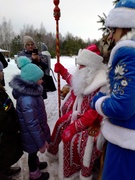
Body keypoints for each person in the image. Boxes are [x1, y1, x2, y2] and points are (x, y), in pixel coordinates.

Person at [46, 44, 108, 179]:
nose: (78, 69)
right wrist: (63, 72)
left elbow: (94, 112)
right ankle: (54, 153)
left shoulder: (101, 83)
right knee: (61, 123)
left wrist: (75, 127)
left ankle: (80, 171)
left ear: (91, 67)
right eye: (78, 65)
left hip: (95, 122)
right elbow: (75, 82)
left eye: (82, 66)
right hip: (79, 114)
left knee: (78, 141)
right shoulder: (86, 75)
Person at [90, 0, 135, 179]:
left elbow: (122, 108)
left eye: (113, 30)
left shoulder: (127, 53)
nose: (111, 37)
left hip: (126, 143)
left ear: (125, 27)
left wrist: (98, 101)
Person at [9, 56, 51, 180]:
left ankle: (36, 164)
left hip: (32, 134)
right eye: (40, 78)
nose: (42, 80)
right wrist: (41, 142)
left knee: (34, 152)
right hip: (31, 134)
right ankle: (34, 174)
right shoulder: (28, 99)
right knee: (32, 153)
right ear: (32, 81)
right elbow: (32, 124)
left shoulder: (32, 93)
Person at [0, 62, 23, 180]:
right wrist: (14, 126)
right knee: (3, 152)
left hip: (7, 130)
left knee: (7, 152)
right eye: (0, 71)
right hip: (3, 131)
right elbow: (1, 117)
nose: (2, 72)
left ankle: (5, 168)